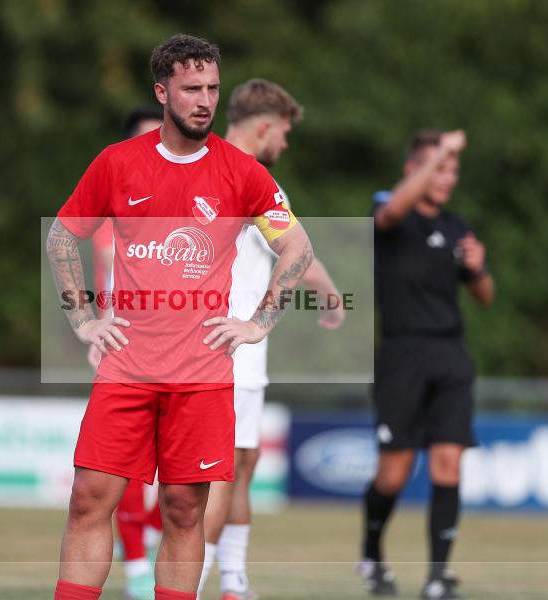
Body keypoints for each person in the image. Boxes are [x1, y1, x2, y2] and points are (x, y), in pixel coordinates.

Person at [47, 34, 314, 600]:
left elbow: (297, 249)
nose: (205, 100)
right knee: (89, 497)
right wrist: (84, 320)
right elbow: (62, 238)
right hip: (126, 368)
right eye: (192, 88)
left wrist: (258, 322)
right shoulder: (118, 164)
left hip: (202, 376)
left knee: (184, 511)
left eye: (213, 88)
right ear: (162, 91)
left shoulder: (242, 173)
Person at [196, 79, 345, 600]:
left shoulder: (205, 167)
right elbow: (297, 253)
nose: (285, 143)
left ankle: (233, 581)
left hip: (231, 357)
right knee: (219, 477)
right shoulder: (247, 176)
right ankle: (185, 585)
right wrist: (330, 293)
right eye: (283, 132)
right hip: (228, 356)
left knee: (241, 467)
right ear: (263, 127)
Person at [358, 129, 494, 599]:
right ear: (414, 171)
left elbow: (485, 297)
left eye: (453, 170)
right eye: (439, 168)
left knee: (448, 465)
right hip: (402, 355)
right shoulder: (390, 215)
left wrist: (477, 269)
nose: (448, 177)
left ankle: (437, 576)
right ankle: (371, 552)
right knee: (394, 473)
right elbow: (394, 209)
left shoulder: (458, 227)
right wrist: (441, 151)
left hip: (450, 355)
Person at [87, 105, 165, 600]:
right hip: (129, 350)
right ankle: (136, 564)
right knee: (125, 463)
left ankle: (148, 536)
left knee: (176, 467)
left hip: (186, 353)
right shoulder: (113, 213)